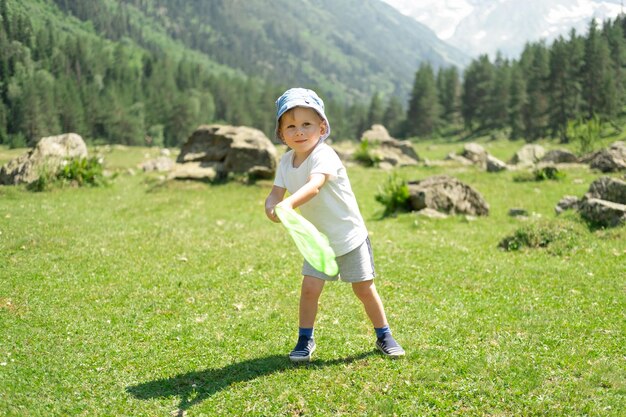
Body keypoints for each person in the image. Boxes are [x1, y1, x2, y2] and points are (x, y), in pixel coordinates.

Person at [264, 87, 405, 362]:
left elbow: (315, 185)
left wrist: (289, 205)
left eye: (307, 124)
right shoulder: (285, 162)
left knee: (363, 288)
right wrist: (271, 206)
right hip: (318, 241)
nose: (299, 131)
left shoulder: (323, 155)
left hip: (349, 236)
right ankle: (305, 339)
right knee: (309, 289)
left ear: (322, 126)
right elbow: (275, 193)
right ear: (281, 134)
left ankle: (384, 335)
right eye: (290, 126)